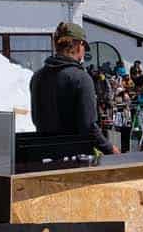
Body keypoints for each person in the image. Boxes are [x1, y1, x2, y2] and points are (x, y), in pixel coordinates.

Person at [29, 22, 117, 156]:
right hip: (74, 160)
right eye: (83, 46)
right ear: (77, 45)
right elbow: (88, 126)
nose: (84, 51)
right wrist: (110, 148)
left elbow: (36, 119)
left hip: (42, 158)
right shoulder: (81, 78)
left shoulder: (37, 77)